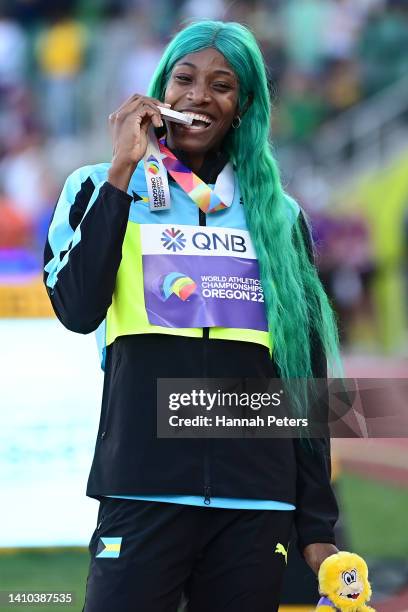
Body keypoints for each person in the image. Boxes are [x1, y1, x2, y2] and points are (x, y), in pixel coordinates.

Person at [43, 20, 342, 612]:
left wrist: (317, 530)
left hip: (255, 504)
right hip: (142, 486)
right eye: (184, 79)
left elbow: (305, 383)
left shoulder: (280, 217)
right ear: (159, 90)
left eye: (222, 85)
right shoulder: (95, 188)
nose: (199, 95)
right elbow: (77, 310)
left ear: (244, 107)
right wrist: (121, 174)